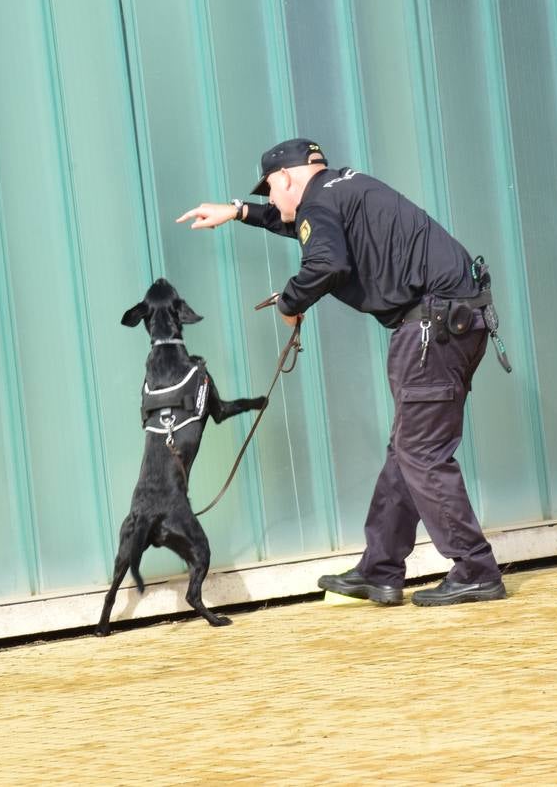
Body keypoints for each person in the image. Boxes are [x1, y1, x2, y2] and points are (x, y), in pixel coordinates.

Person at [175, 138, 507, 606]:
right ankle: (380, 570)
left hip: (434, 329)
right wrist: (238, 211)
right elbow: (303, 227)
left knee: (420, 454)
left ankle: (476, 570)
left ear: (287, 176)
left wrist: (290, 303)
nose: (269, 199)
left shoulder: (320, 203)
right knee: (407, 452)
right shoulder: (339, 190)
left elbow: (326, 259)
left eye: (269, 188)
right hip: (451, 322)